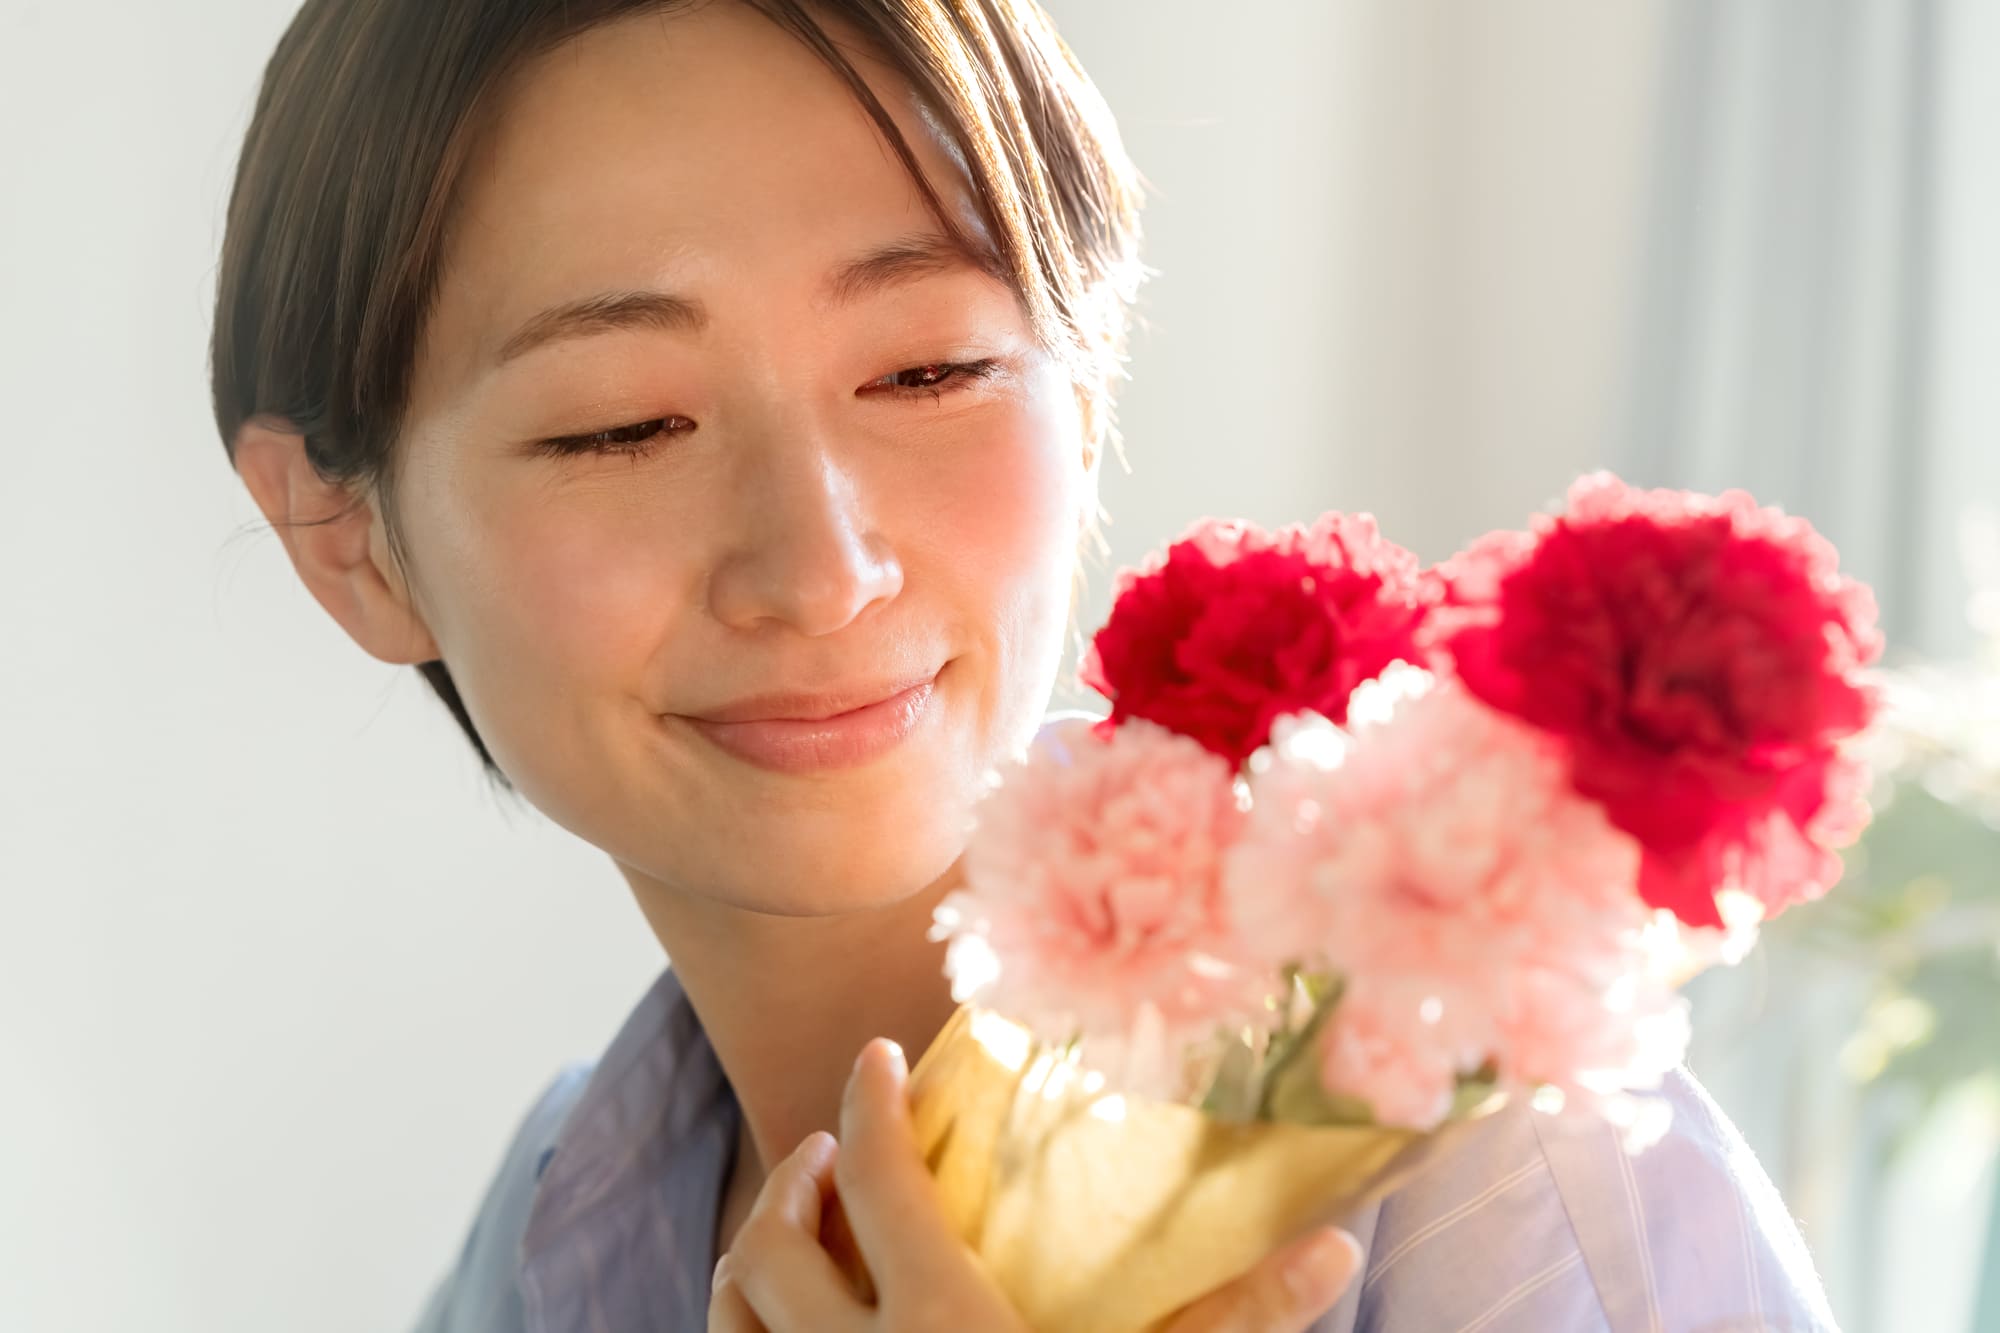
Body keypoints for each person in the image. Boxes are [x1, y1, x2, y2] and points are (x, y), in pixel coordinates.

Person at [210, 1, 1843, 1329]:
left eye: (928, 370)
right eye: (623, 423)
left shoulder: (1498, 1182)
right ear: (345, 540)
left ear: (1087, 388)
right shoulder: (554, 1231)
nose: (820, 567)